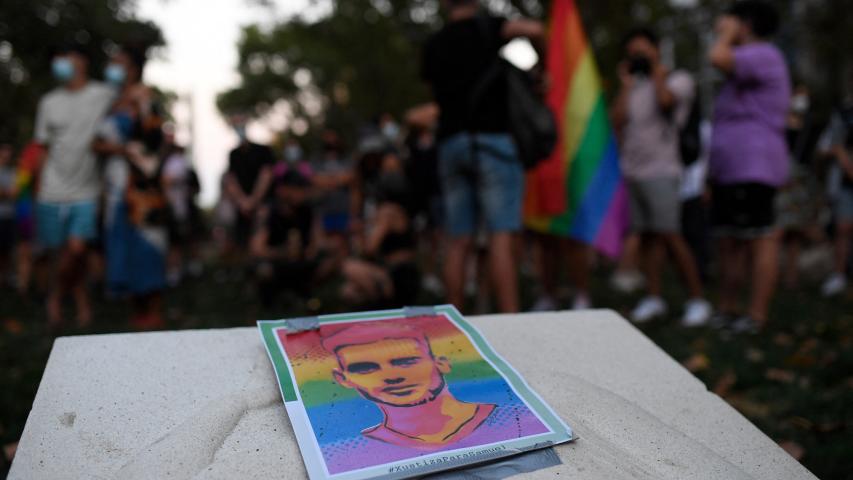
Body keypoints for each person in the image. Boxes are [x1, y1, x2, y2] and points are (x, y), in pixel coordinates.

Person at [422, 0, 545, 313]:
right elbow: (535, 29)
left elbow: (433, 95)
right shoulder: (488, 26)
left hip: (450, 145)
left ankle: (454, 322)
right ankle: (509, 319)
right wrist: (541, 67)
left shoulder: (433, 44)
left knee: (457, 240)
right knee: (501, 237)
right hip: (492, 142)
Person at [611, 28, 711, 326]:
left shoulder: (677, 79)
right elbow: (616, 120)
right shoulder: (633, 86)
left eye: (643, 50)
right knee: (647, 239)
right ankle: (654, 297)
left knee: (671, 234)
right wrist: (626, 84)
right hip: (633, 170)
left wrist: (657, 71)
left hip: (663, 171)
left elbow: (667, 102)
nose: (637, 56)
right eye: (633, 52)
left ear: (656, 49)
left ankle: (697, 300)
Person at [708, 1, 791, 331]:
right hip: (734, 167)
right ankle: (727, 310)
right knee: (730, 239)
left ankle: (755, 316)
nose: (721, 25)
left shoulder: (763, 54)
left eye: (729, 21)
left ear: (745, 24)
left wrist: (726, 34)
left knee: (759, 238)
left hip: (753, 164)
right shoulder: (749, 60)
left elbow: (717, 57)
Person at [33, 43, 116, 327]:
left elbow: (128, 97)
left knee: (77, 251)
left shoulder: (102, 95)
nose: (60, 65)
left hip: (86, 190)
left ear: (81, 61)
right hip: (50, 190)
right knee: (60, 254)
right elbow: (42, 148)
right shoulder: (48, 102)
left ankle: (55, 297)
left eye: (65, 58)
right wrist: (35, 188)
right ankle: (81, 303)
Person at [95, 45, 169, 329]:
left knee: (148, 244)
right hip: (115, 188)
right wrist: (115, 149)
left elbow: (153, 140)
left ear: (134, 68)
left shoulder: (145, 98)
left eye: (119, 63)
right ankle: (135, 312)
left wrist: (127, 150)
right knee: (121, 243)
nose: (113, 67)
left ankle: (154, 311)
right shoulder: (109, 101)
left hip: (143, 190)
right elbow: (96, 143)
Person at [223, 114, 274, 249]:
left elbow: (266, 175)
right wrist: (242, 202)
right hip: (243, 208)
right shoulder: (233, 154)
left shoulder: (263, 150)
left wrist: (254, 200)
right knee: (241, 242)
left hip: (263, 204)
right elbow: (231, 180)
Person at [820, 101, 853, 297]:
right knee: (843, 228)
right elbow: (824, 147)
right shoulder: (842, 114)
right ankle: (839, 275)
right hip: (844, 183)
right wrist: (842, 158)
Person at [0, 142, 16, 287]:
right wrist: (7, 192)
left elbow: (17, 192)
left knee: (6, 250)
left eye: (9, 152)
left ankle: (4, 280)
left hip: (9, 216)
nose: (7, 155)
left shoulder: (12, 172)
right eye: (5, 152)